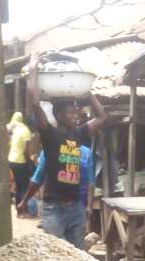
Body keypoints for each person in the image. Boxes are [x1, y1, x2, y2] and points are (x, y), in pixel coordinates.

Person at [23, 51, 107, 247]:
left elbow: (102, 118)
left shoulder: (79, 133)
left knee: (77, 256)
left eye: (76, 111)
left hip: (76, 207)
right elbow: (35, 103)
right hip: (54, 208)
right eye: (71, 112)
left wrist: (88, 93)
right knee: (55, 256)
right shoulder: (50, 135)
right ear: (58, 115)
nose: (76, 115)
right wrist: (34, 68)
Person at [6, 112, 33, 216]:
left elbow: (11, 144)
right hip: (20, 161)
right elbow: (26, 150)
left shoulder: (15, 130)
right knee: (24, 186)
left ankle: (18, 210)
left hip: (11, 160)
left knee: (18, 185)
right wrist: (29, 161)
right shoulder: (26, 131)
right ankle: (23, 210)